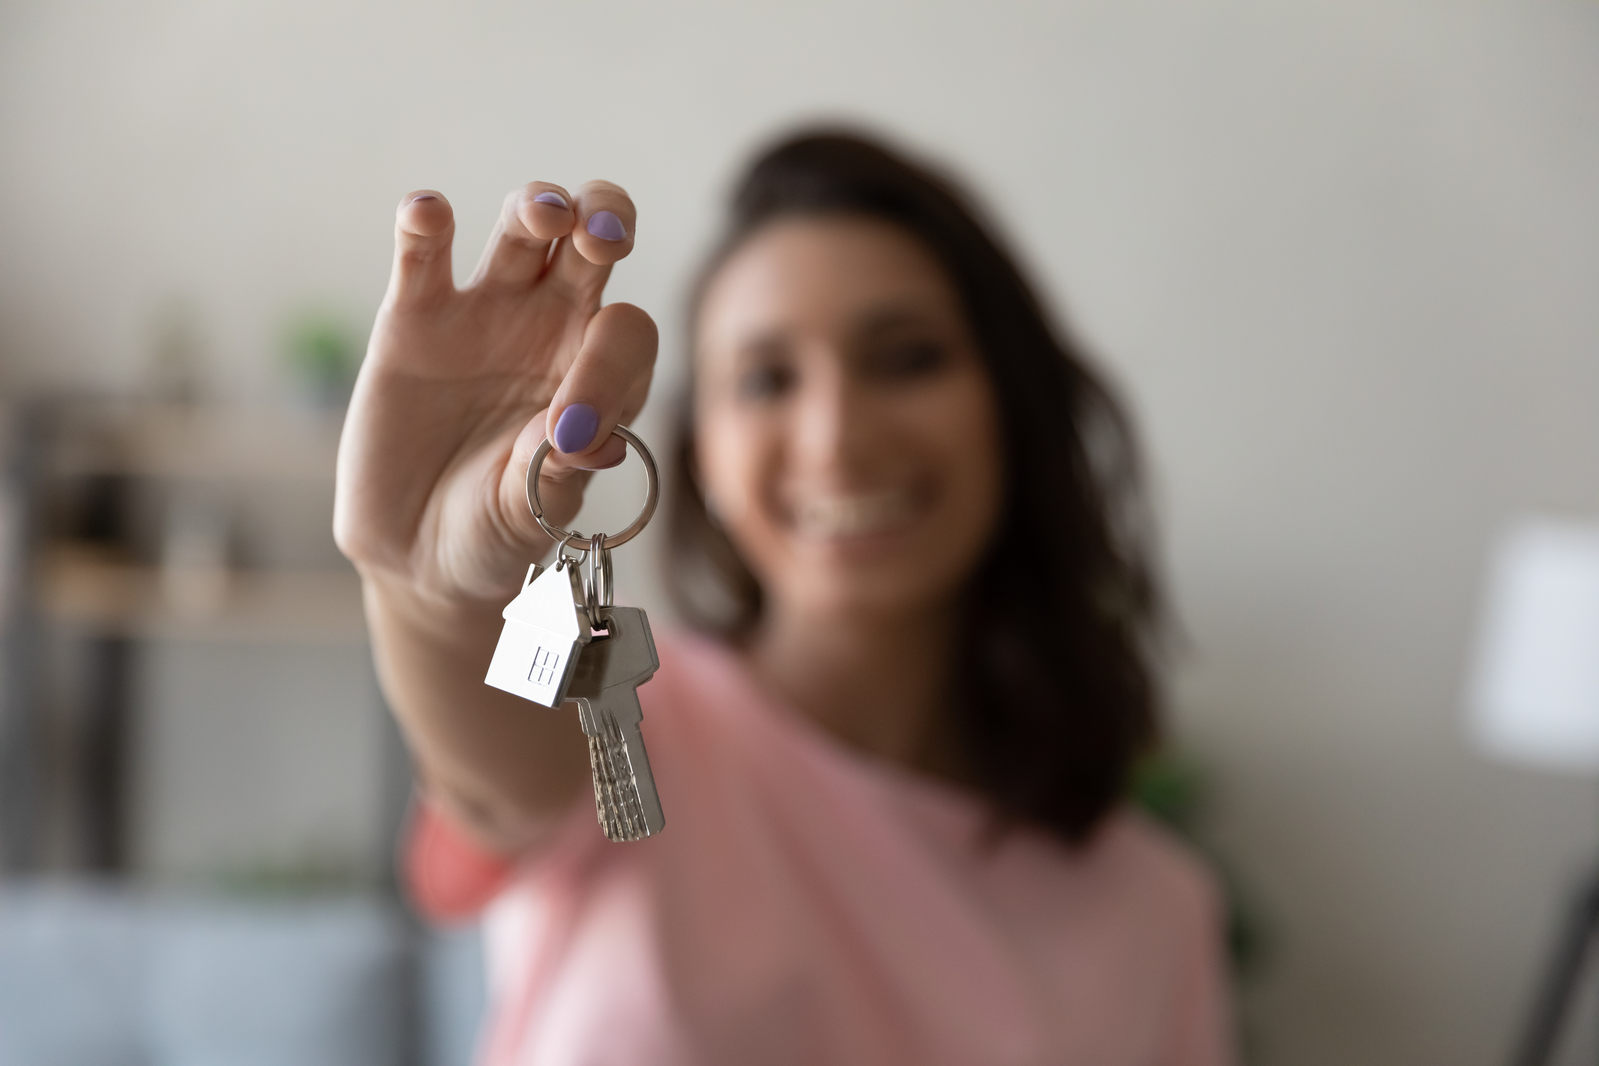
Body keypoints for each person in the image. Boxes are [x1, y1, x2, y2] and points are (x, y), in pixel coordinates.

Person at [334, 131, 1234, 1065]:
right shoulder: (621, 724)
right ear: (703, 459)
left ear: (1012, 405)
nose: (836, 436)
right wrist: (423, 588)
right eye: (765, 379)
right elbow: (491, 779)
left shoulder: (1158, 915)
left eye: (907, 358)